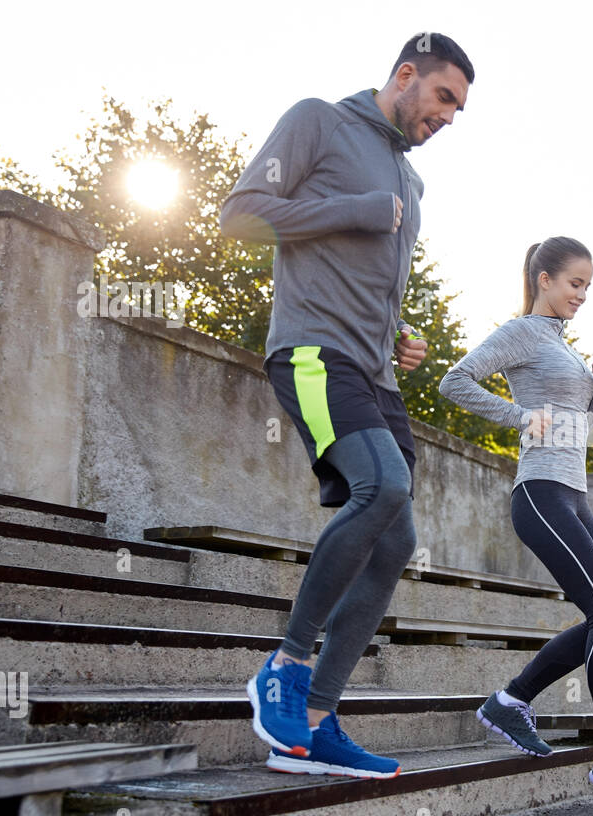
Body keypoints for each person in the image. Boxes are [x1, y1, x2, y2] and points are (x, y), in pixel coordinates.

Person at [219, 33, 474, 778]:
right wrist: (351, 208)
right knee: (383, 486)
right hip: (311, 351)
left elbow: (362, 277)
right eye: (443, 97)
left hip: (375, 375)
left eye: (458, 109)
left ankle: (315, 723)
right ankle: (284, 667)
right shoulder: (318, 121)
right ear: (405, 75)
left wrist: (400, 335)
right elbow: (241, 215)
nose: (448, 116)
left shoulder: (411, 182)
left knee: (394, 544)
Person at [437, 238, 593, 814]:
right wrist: (518, 416)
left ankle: (510, 702)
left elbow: (577, 425)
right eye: (575, 283)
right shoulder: (522, 332)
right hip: (540, 493)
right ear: (544, 279)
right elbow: (454, 381)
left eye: (588, 286)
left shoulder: (562, 345)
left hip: (574, 494)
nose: (583, 295)